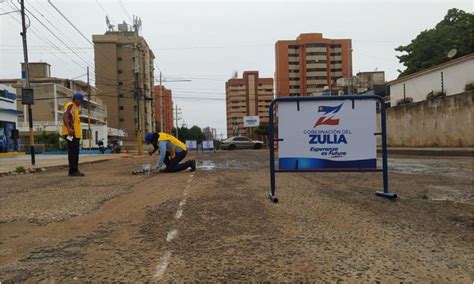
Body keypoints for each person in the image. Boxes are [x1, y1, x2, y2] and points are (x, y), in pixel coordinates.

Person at [61, 93, 84, 177]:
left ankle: (74, 170)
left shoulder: (75, 108)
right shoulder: (71, 105)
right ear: (76, 99)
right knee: (73, 152)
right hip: (71, 133)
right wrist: (69, 129)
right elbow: (65, 116)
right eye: (80, 100)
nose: (81, 102)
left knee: (75, 152)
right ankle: (73, 171)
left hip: (75, 134)